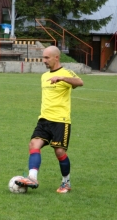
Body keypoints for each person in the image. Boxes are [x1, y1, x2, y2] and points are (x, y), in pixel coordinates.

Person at [15, 45, 84, 193]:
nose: (43, 60)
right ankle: (32, 177)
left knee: (59, 151)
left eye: (47, 57)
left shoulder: (66, 73)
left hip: (60, 120)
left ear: (56, 57)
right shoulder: (44, 76)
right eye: (43, 57)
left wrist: (62, 78)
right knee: (34, 144)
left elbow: (80, 82)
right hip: (44, 119)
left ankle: (66, 183)